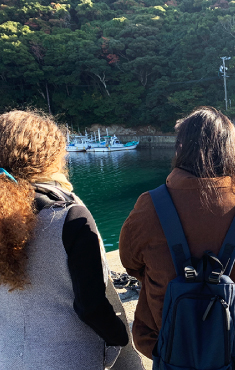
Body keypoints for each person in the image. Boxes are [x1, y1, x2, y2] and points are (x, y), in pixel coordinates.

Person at [120, 106, 235, 369]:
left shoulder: (149, 206)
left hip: (171, 343)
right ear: (232, 150)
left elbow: (132, 263)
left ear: (180, 147)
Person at [0, 110, 140, 369]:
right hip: (70, 358)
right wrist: (119, 337)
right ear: (49, 156)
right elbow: (91, 305)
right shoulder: (68, 215)